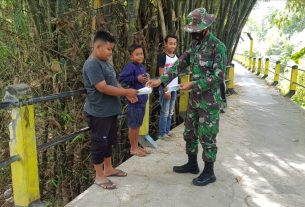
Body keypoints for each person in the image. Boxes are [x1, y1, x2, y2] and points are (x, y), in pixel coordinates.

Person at [147, 8, 227, 186]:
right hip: (195, 99)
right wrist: (161, 80)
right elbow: (179, 65)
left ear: (205, 28)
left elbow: (218, 76)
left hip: (210, 101)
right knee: (189, 132)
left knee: (207, 135)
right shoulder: (195, 45)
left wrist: (194, 84)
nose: (193, 33)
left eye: (196, 30)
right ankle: (192, 164)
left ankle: (209, 171)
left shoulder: (218, 46)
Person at [83, 31, 138, 190]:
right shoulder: (92, 63)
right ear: (97, 46)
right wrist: (127, 92)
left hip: (110, 110)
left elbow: (114, 83)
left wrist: (127, 95)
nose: (111, 52)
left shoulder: (105, 61)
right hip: (99, 112)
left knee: (108, 141)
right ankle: (99, 176)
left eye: (112, 49)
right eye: (109, 49)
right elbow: (102, 87)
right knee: (99, 142)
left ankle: (108, 168)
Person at [119, 44, 150, 157]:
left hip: (142, 100)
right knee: (133, 126)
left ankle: (136, 146)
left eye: (141, 54)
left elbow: (142, 80)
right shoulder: (130, 66)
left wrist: (147, 79)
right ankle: (133, 148)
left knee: (138, 125)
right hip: (134, 100)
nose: (140, 56)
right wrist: (136, 78)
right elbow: (121, 80)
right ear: (131, 56)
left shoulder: (141, 66)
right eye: (137, 54)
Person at [156, 35, 178, 139]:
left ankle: (167, 131)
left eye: (174, 43)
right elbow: (161, 75)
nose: (173, 45)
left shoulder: (177, 57)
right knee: (164, 112)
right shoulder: (162, 57)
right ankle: (162, 134)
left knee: (170, 112)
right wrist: (165, 89)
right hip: (166, 88)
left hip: (174, 87)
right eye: (170, 43)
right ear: (165, 44)